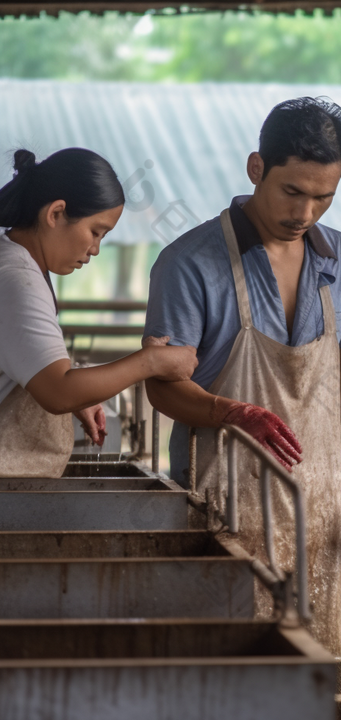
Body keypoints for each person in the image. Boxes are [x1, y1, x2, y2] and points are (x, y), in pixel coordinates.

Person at [144, 97, 341, 654]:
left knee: (314, 664)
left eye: (323, 198)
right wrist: (231, 411)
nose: (305, 213)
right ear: (257, 168)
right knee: (230, 663)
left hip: (320, 505)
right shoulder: (190, 262)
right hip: (223, 503)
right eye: (292, 191)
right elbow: (161, 386)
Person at [0, 147, 197, 477]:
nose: (94, 249)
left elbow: (29, 358)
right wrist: (151, 361)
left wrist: (82, 389)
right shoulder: (18, 279)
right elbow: (59, 392)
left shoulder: (14, 258)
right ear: (56, 213)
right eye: (95, 231)